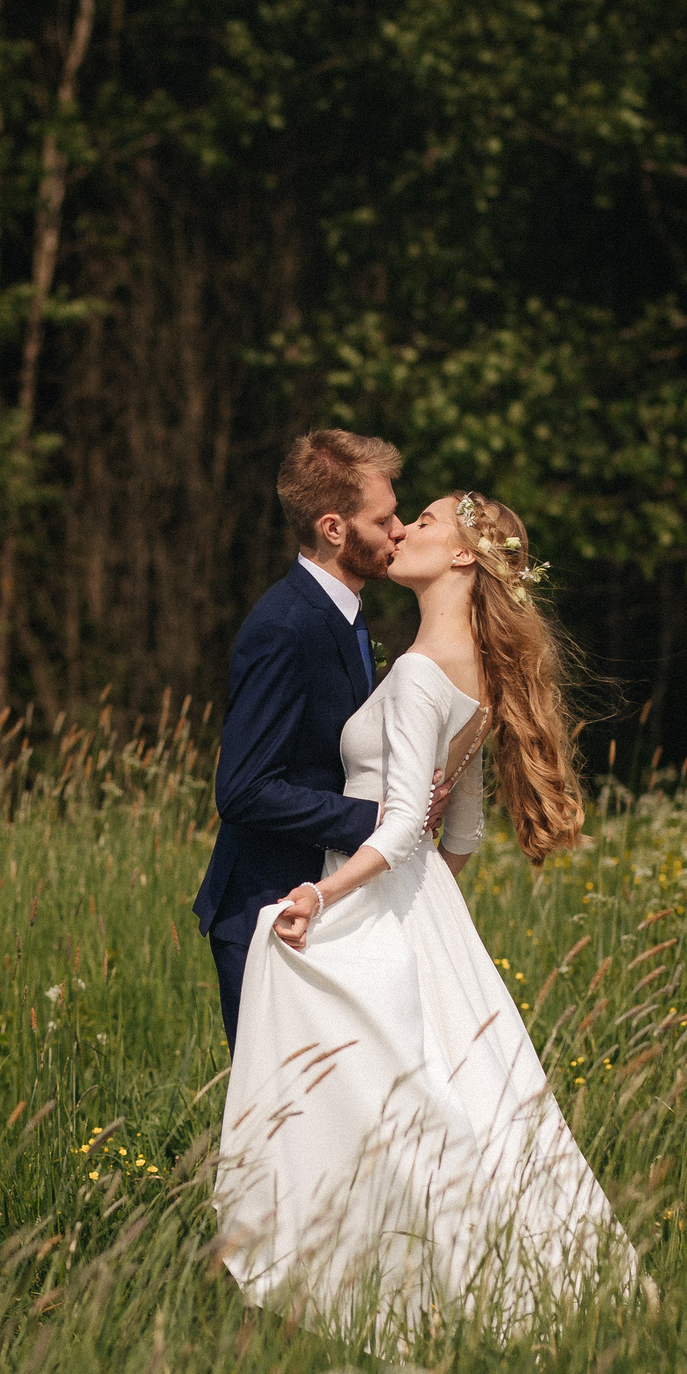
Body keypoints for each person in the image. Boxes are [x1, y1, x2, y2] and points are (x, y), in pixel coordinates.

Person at [211, 489, 650, 1345]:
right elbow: (466, 828)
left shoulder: (417, 669)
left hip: (372, 889)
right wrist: (422, 902)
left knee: (377, 1101)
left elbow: (410, 817)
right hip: (420, 902)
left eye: (429, 522)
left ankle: (364, 1282)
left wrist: (328, 894)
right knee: (457, 1095)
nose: (404, 527)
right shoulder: (471, 670)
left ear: (460, 558)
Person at [193, 430, 444, 1047]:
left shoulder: (345, 613)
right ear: (334, 529)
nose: (399, 531)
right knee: (277, 1123)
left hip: (319, 902)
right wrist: (374, 818)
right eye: (383, 519)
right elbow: (244, 790)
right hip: (266, 908)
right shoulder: (284, 625)